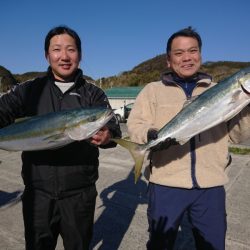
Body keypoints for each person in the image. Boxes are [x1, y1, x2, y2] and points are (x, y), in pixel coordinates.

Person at [127, 26, 250, 250]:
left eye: (192, 51)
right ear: (168, 59)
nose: (187, 58)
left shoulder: (217, 89)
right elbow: (135, 124)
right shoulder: (152, 90)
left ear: (200, 55)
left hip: (210, 186)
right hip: (166, 184)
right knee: (160, 245)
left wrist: (247, 109)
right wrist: (150, 135)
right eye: (179, 53)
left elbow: (238, 136)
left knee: (212, 245)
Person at [0, 25, 121, 250]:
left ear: (80, 55)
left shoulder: (93, 93)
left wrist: (107, 135)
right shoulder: (29, 90)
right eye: (57, 50)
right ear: (47, 55)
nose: (64, 56)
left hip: (80, 194)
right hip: (38, 194)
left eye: (71, 50)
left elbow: (111, 125)